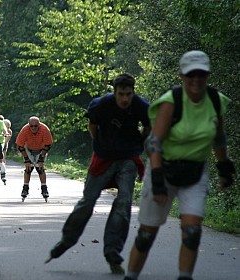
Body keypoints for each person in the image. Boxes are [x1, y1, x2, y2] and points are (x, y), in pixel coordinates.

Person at [124, 51, 235, 280]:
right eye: (191, 74)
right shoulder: (171, 102)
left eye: (201, 74)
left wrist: (224, 167)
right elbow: (154, 143)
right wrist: (156, 180)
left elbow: (219, 138)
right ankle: (131, 276)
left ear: (208, 75)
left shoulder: (215, 101)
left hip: (195, 171)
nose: (196, 79)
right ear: (181, 75)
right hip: (162, 168)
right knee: (147, 234)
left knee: (192, 233)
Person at [45, 73, 151, 274]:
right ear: (115, 92)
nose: (125, 99)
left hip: (128, 159)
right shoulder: (101, 104)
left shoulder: (142, 106)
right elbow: (92, 126)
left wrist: (138, 143)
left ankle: (113, 252)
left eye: (129, 94)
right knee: (88, 201)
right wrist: (102, 143)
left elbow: (149, 127)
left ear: (133, 92)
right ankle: (65, 242)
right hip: (103, 158)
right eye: (121, 94)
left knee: (124, 202)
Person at [15, 116, 53, 199]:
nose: (33, 128)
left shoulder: (44, 129)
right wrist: (26, 160)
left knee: (40, 168)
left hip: (41, 149)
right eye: (31, 126)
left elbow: (48, 145)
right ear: (29, 125)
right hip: (28, 149)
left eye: (35, 126)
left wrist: (41, 159)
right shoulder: (25, 130)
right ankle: (25, 188)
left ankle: (44, 189)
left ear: (39, 125)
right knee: (28, 169)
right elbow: (20, 146)